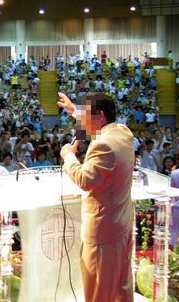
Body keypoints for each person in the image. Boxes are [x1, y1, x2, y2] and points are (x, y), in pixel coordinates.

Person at [57, 92, 134, 302]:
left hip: (103, 233)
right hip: (120, 224)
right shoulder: (123, 132)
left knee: (98, 291)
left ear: (100, 116)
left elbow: (84, 179)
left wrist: (69, 156)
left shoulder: (103, 144)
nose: (82, 124)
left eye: (85, 117)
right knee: (120, 288)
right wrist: (75, 111)